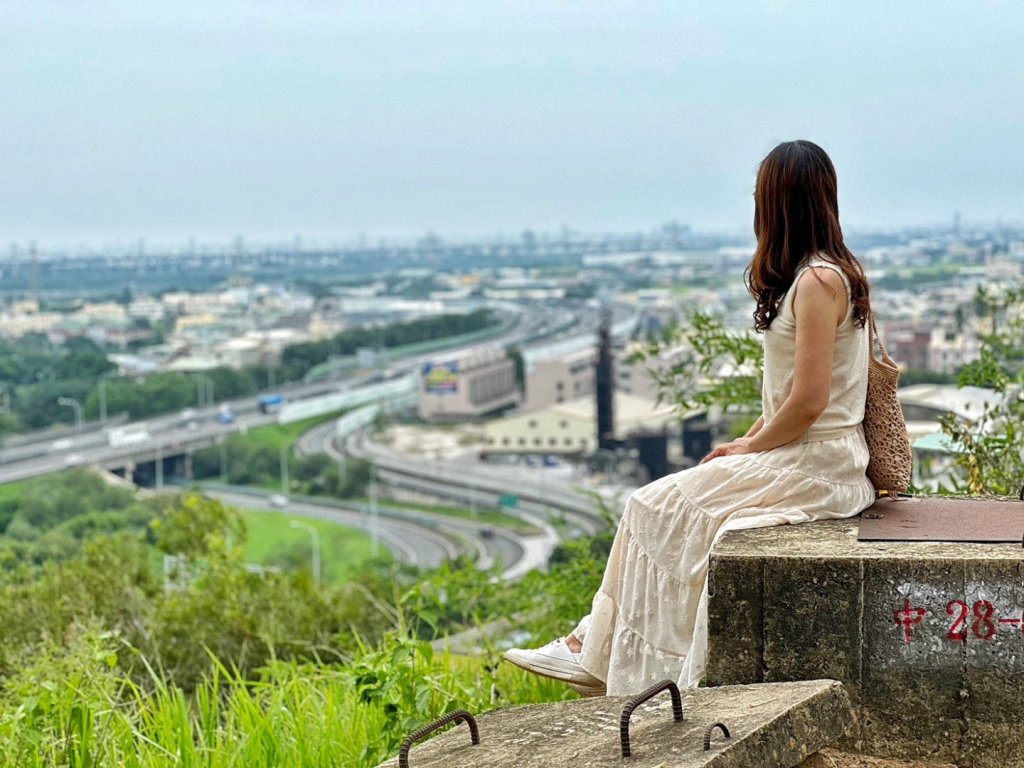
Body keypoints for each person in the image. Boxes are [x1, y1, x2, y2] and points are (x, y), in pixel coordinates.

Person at [503, 140, 877, 697]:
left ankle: (604, 655)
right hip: (801, 452)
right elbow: (788, 400)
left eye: (761, 195)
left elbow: (810, 402)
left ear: (779, 202)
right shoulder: (822, 273)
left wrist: (752, 449)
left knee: (652, 504)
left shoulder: (819, 282)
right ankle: (597, 647)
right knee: (664, 507)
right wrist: (747, 439)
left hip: (818, 462)